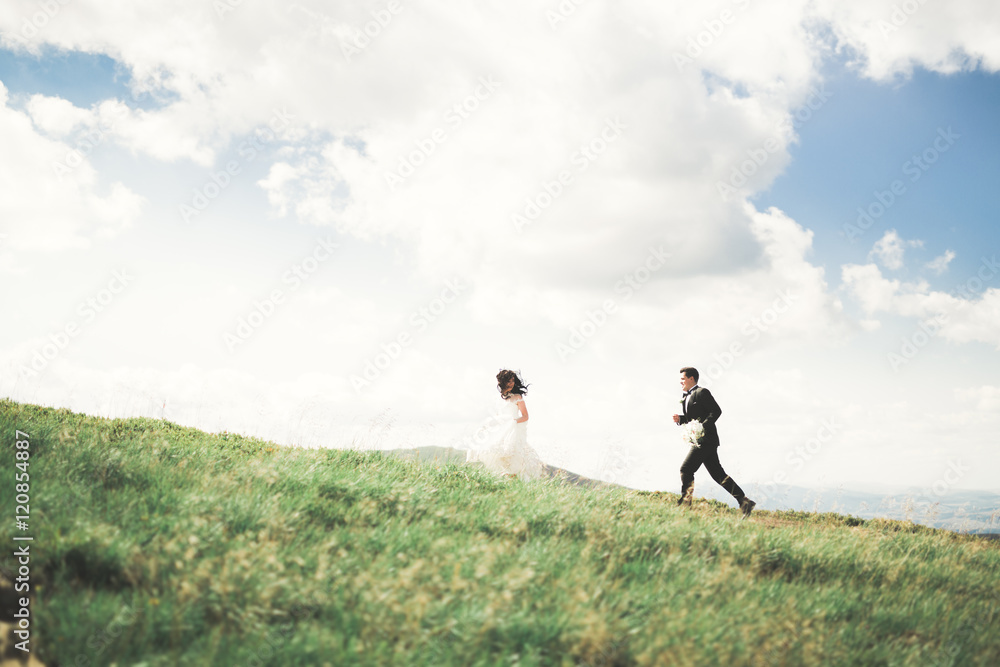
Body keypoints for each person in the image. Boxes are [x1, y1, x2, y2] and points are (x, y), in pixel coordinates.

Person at [672, 366, 755, 517]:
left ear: (691, 378)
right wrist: (681, 419)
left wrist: (703, 426)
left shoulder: (702, 392)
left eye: (682, 379)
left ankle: (685, 503)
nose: (680, 382)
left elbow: (716, 411)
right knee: (718, 474)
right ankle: (744, 502)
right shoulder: (686, 396)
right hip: (701, 441)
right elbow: (693, 418)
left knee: (686, 469)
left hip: (706, 440)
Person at [465, 370, 547, 480]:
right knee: (498, 455)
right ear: (503, 382)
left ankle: (512, 478)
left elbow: (525, 416)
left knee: (513, 456)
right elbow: (498, 415)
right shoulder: (499, 399)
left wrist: (513, 422)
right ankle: (505, 480)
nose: (512, 383)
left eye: (513, 380)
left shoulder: (517, 397)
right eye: (509, 381)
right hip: (501, 430)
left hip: (513, 430)